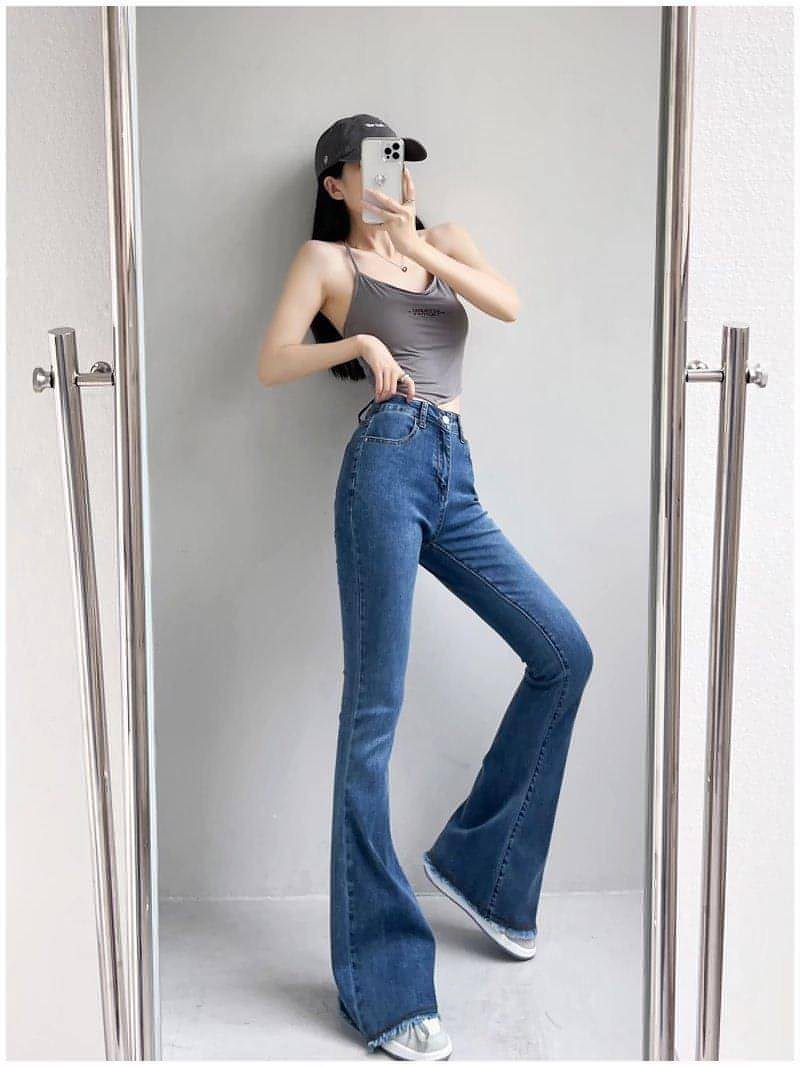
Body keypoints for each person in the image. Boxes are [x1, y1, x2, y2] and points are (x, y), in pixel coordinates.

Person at [257, 114, 594, 1060]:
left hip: (455, 472)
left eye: (398, 160)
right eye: (368, 163)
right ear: (334, 182)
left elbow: (507, 304)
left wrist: (415, 243)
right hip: (385, 459)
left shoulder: (442, 240)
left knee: (563, 652)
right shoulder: (324, 264)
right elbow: (271, 360)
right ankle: (384, 987)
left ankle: (485, 870)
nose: (388, 174)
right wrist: (355, 348)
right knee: (374, 715)